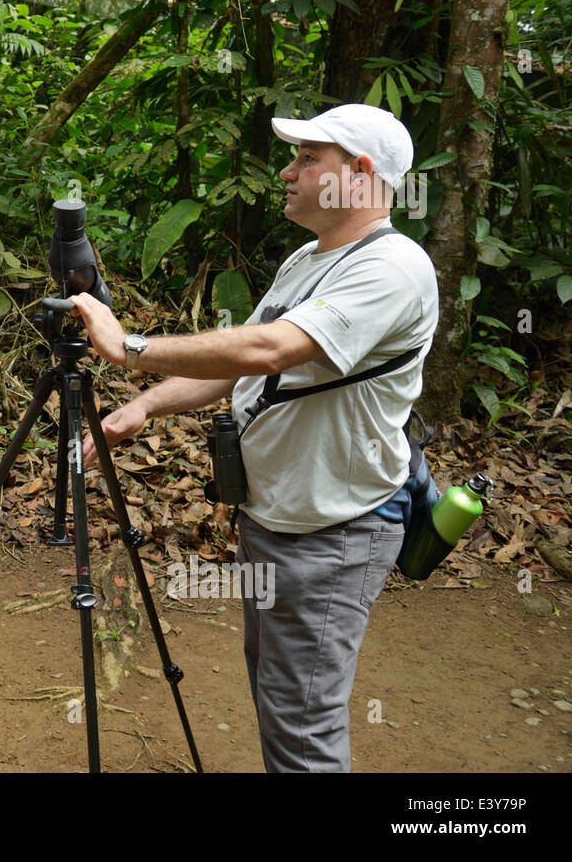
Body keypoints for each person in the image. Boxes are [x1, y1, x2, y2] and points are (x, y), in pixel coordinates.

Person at [70, 103, 438, 772]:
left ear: (358, 174)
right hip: (277, 520)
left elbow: (272, 347)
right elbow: (243, 366)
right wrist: (146, 407)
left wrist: (130, 347)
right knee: (278, 693)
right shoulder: (311, 256)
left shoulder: (394, 270)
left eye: (307, 158)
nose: (288, 172)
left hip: (333, 534)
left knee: (304, 729)